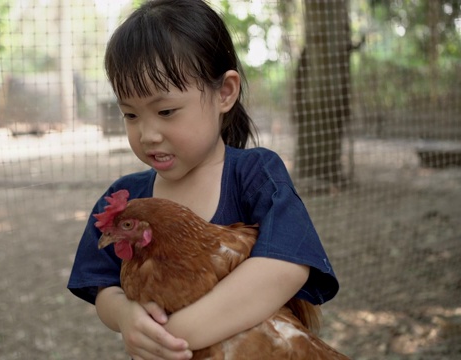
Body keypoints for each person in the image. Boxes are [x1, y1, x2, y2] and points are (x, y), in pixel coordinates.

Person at [67, 0, 339, 359]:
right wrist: (126, 316)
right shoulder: (125, 195)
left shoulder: (254, 174)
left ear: (225, 92)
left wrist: (178, 334)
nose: (147, 134)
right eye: (130, 115)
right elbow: (102, 285)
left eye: (166, 111)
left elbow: (286, 266)